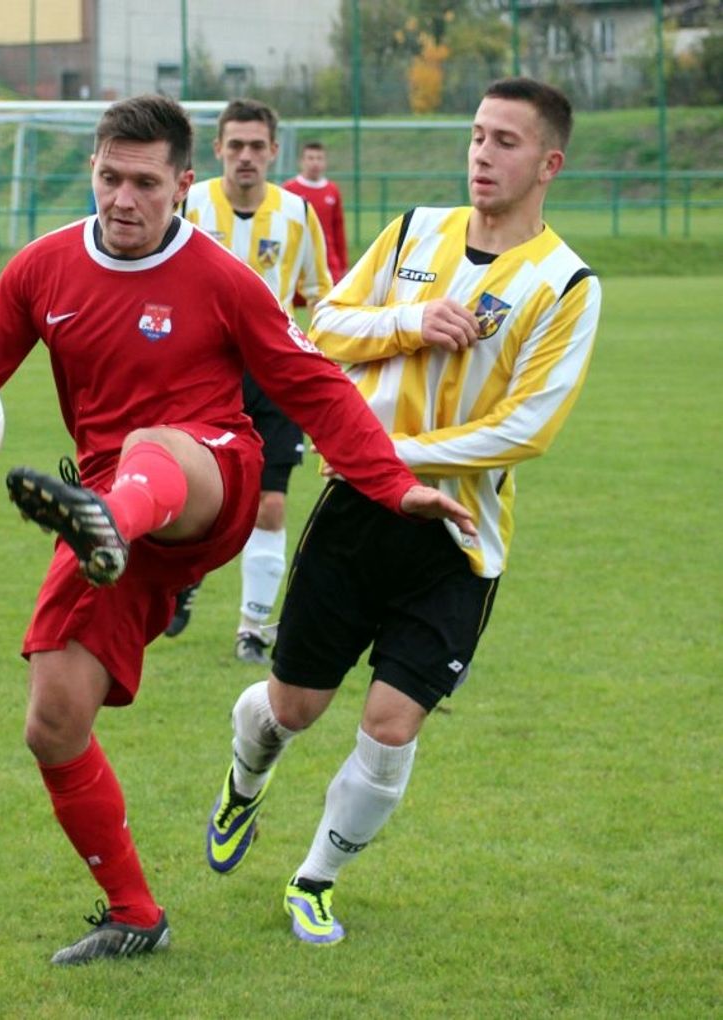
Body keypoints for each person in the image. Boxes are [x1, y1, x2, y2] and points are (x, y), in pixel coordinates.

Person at [0, 94, 476, 967]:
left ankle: (114, 530)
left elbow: (314, 384)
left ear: (183, 185)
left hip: (208, 479)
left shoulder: (221, 279)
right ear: (92, 169)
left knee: (150, 447)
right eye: (109, 178)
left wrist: (393, 485)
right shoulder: (45, 269)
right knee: (52, 721)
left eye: (145, 183)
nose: (123, 200)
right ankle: (135, 914)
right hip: (105, 515)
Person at [204, 78, 602, 947]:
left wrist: (389, 455)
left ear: (549, 163)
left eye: (504, 141)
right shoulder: (417, 232)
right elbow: (326, 326)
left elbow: (525, 429)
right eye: (476, 136)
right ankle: (243, 783)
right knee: (292, 709)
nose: (482, 155)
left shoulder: (567, 284)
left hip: (457, 540)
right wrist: (414, 319)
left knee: (390, 726)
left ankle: (315, 880)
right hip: (356, 516)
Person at [172, 99, 333, 663]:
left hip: (273, 375)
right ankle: (183, 578)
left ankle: (251, 629)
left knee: (270, 503)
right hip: (198, 375)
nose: (245, 156)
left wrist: (322, 375)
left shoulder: (297, 215)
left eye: (256, 146)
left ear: (273, 151)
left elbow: (321, 297)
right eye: (234, 145)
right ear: (217, 150)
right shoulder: (188, 204)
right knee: (198, 496)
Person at [283, 141, 347, 287]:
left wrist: (343, 264)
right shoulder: (289, 189)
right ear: (302, 162)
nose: (315, 163)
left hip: (327, 256)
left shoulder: (332, 190)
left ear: (325, 162)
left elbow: (338, 228)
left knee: (330, 300)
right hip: (297, 254)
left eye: (319, 158)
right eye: (310, 158)